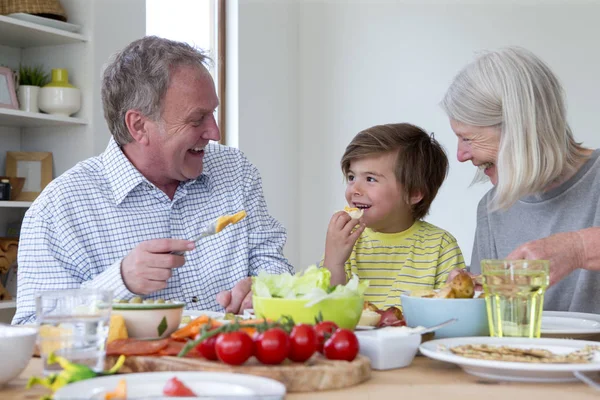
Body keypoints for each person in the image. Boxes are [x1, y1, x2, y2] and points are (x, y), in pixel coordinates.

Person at [12, 36, 293, 325]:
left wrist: (263, 288)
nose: (214, 132)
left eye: (213, 113)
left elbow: (273, 264)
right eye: (197, 119)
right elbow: (34, 329)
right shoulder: (59, 208)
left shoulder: (236, 171)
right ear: (138, 126)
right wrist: (119, 283)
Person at [441, 46, 600, 313]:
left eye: (468, 138)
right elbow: (489, 319)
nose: (460, 155)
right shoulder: (492, 208)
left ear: (520, 129)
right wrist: (470, 292)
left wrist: (579, 248)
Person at [321, 123, 466, 309]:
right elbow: (325, 310)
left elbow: (453, 310)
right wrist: (334, 261)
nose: (354, 190)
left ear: (414, 193)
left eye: (370, 179)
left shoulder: (441, 246)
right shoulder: (345, 242)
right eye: (351, 177)